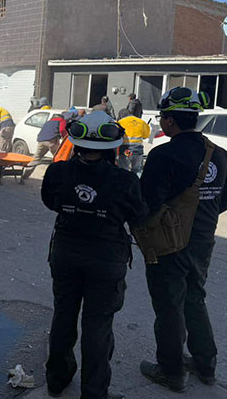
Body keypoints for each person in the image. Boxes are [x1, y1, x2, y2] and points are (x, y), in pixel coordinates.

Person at [137, 87, 227, 393]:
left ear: (169, 122)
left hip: (169, 244)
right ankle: (205, 365)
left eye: (163, 118)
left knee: (169, 307)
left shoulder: (163, 154)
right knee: (195, 298)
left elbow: (147, 203)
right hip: (203, 242)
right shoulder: (218, 153)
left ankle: (171, 371)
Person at [42, 110, 148, 399]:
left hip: (66, 253)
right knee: (98, 325)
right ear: (112, 148)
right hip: (106, 258)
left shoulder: (57, 171)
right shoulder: (125, 181)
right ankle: (94, 392)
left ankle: (57, 379)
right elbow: (138, 215)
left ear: (76, 144)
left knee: (63, 315)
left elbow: (50, 201)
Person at [117, 108, 150, 175]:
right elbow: (146, 135)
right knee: (136, 170)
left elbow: (116, 136)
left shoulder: (120, 122)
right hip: (138, 150)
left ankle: (124, 183)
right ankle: (136, 183)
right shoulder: (141, 122)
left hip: (127, 150)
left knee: (124, 169)